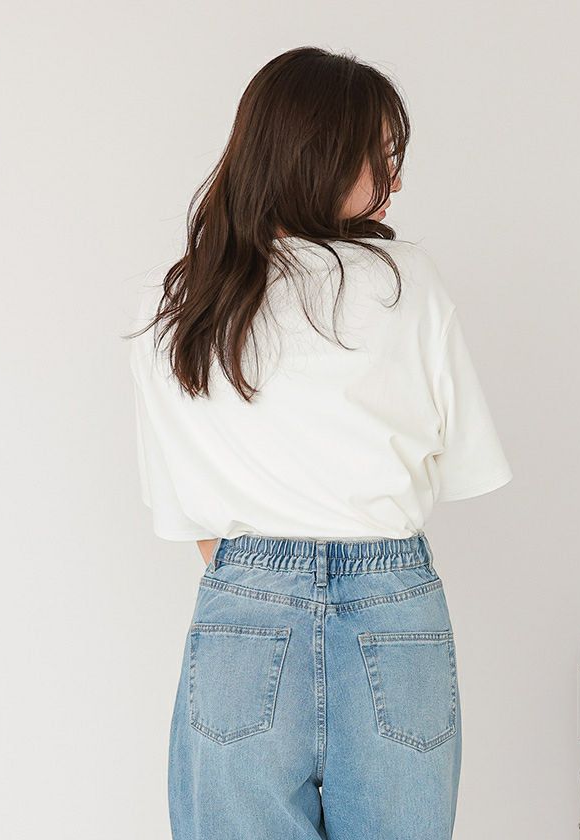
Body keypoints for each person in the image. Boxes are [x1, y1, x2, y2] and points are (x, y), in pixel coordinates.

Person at [125, 46, 512, 840]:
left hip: (244, 603)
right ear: (319, 154)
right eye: (380, 155)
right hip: (392, 604)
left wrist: (270, 575)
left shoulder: (181, 300)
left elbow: (191, 515)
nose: (395, 179)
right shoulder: (405, 281)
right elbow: (460, 459)